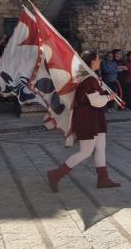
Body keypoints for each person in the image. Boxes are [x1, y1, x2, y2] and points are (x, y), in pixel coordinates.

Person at [47, 51, 121, 192]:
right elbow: (96, 101)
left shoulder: (90, 77)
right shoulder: (88, 79)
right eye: (98, 58)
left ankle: (103, 178)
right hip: (88, 117)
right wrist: (109, 97)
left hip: (94, 116)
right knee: (86, 152)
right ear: (92, 62)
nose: (100, 61)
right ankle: (56, 174)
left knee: (100, 147)